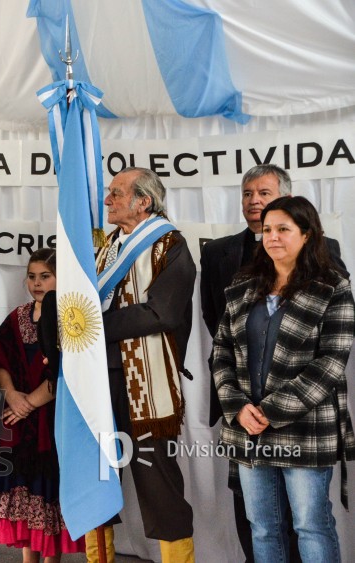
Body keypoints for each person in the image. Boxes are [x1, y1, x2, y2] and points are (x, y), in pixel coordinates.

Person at [199, 164, 346, 561]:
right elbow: (223, 351)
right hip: (247, 426)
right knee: (263, 529)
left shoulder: (333, 288)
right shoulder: (242, 287)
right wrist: (237, 407)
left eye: (283, 229)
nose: (273, 237)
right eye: (268, 230)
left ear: (306, 235)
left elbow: (331, 363)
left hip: (304, 425)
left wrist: (268, 410)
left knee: (310, 525)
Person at [88, 168, 196, 562]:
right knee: (97, 478)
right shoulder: (106, 246)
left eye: (116, 193)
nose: (107, 201)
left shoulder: (169, 244)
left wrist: (92, 327)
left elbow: (161, 312)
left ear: (143, 201)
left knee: (158, 485)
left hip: (146, 383)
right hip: (98, 380)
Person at [0, 249, 85, 561]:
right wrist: (11, 394)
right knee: (24, 492)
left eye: (46, 276)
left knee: (47, 490)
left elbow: (67, 373)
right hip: (18, 419)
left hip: (53, 421)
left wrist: (29, 403)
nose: (37, 283)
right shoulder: (18, 316)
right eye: (32, 276)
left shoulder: (70, 320)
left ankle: (51, 558)